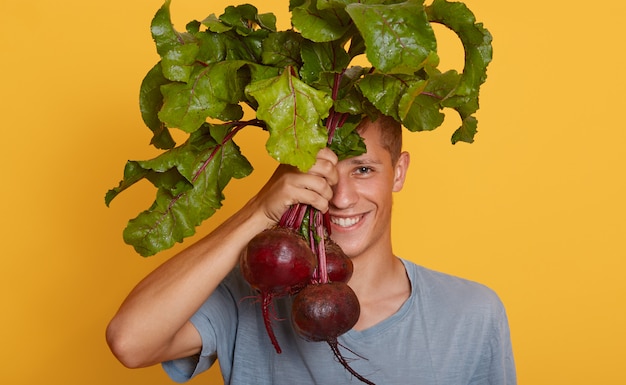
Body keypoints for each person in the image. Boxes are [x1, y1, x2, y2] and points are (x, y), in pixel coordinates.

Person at [106, 115, 517, 384]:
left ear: (400, 171)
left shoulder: (471, 314)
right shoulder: (250, 294)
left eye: (363, 169)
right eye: (318, 175)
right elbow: (129, 341)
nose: (340, 198)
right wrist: (258, 212)